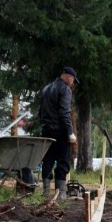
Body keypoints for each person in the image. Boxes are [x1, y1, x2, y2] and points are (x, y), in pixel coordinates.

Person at [38, 67, 79, 199]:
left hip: (46, 130)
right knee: (63, 160)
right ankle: (60, 193)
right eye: (73, 80)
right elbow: (64, 112)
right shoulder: (65, 89)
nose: (73, 83)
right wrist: (69, 132)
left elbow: (40, 112)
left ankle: (45, 192)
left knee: (47, 160)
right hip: (60, 131)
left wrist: (45, 126)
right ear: (68, 77)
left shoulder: (46, 89)